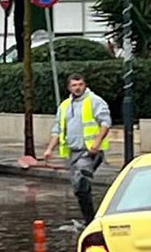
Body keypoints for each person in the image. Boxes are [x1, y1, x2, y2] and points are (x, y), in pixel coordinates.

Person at [42, 73, 112, 222]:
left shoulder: (95, 101)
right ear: (69, 87)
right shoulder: (64, 106)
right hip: (73, 153)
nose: (78, 88)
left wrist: (97, 143)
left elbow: (105, 123)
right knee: (79, 190)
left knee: (81, 183)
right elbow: (58, 130)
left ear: (85, 84)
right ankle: (90, 219)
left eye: (80, 84)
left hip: (90, 152)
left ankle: (91, 221)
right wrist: (49, 149)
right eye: (74, 85)